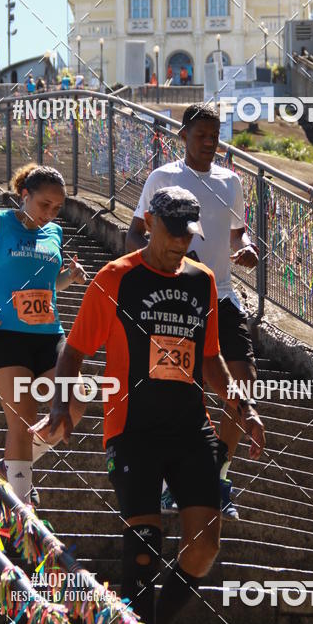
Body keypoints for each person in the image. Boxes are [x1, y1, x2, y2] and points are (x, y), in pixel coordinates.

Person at [31, 186, 265, 624]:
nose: (181, 241)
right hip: (133, 429)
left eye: (188, 234)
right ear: (151, 223)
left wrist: (244, 407)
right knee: (144, 548)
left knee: (204, 548)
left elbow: (210, 357)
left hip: (190, 429)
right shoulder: (116, 278)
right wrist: (60, 404)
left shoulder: (202, 280)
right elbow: (73, 352)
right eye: (173, 231)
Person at [126, 104, 260, 519]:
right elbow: (135, 233)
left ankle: (217, 474)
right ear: (182, 135)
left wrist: (245, 249)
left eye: (215, 135)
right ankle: (173, 483)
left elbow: (237, 235)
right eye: (200, 134)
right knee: (181, 388)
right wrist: (160, 267)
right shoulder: (162, 177)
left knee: (244, 381)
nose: (209, 142)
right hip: (175, 297)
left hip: (222, 295)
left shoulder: (231, 181)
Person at [0, 163, 86, 505]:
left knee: (74, 404)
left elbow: (47, 283)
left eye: (57, 208)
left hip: (50, 336)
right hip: (7, 336)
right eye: (44, 204)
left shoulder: (55, 233)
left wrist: (69, 277)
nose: (50, 213)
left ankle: (13, 465)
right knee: (22, 419)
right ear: (24, 195)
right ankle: (20, 506)